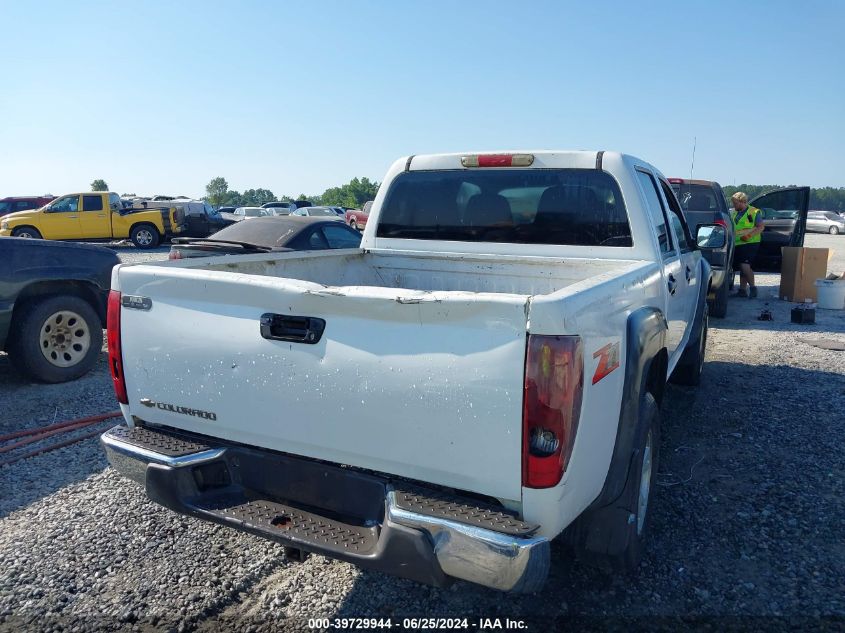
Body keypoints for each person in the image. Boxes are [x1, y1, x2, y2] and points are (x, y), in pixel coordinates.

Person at [730, 191, 764, 298]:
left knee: (745, 266)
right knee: (741, 266)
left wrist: (749, 236)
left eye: (735, 203)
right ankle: (742, 290)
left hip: (750, 242)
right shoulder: (734, 212)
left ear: (742, 201)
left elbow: (760, 227)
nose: (733, 205)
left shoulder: (754, 212)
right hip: (738, 242)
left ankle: (753, 288)